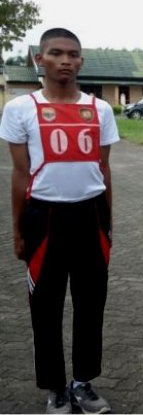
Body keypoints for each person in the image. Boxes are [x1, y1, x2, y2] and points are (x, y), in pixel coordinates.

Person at [0, 28, 118, 414]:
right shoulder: (20, 109)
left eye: (72, 54)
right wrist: (18, 230)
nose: (65, 60)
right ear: (40, 59)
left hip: (90, 216)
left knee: (90, 305)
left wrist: (108, 224)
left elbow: (104, 168)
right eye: (56, 53)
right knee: (45, 307)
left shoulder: (100, 109)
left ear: (81, 61)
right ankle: (55, 388)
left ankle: (83, 383)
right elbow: (19, 174)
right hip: (44, 218)